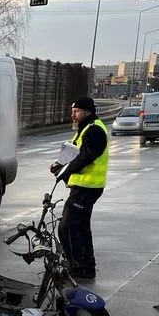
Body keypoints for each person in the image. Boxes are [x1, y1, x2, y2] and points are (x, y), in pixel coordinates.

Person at [50, 97, 109, 280]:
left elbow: (85, 158)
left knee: (68, 227)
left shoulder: (95, 131)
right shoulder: (85, 129)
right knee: (81, 228)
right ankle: (86, 267)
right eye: (73, 111)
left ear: (88, 112)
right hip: (82, 186)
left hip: (88, 187)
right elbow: (74, 154)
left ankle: (75, 267)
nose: (72, 115)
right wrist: (59, 165)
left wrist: (64, 170)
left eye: (76, 111)